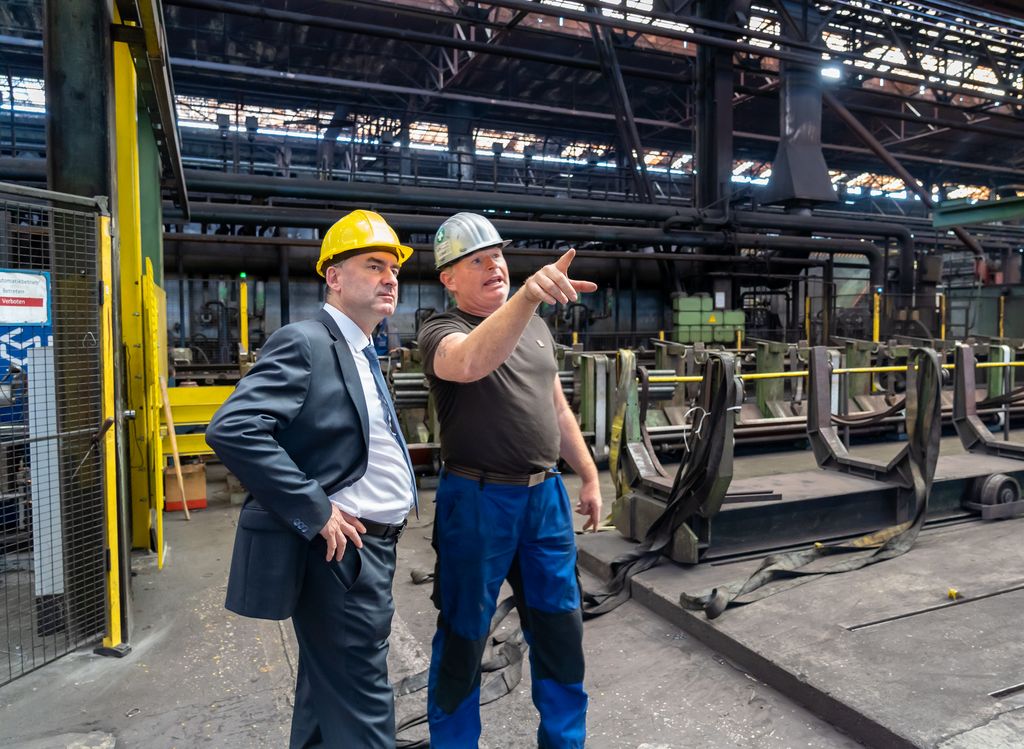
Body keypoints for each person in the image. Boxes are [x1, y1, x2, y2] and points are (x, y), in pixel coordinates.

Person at [206, 209, 418, 749]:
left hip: (370, 549)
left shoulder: (361, 350)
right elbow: (233, 428)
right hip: (344, 555)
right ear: (334, 277)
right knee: (364, 707)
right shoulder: (306, 341)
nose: (390, 278)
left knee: (324, 702)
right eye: (374, 265)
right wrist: (315, 507)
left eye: (394, 269)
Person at [419, 212, 602, 748]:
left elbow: (557, 408)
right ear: (449, 279)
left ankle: (565, 741)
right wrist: (525, 299)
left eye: (497, 256)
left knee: (560, 627)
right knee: (464, 632)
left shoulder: (536, 326)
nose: (493, 266)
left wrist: (589, 475)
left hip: (545, 498)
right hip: (477, 501)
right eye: (476, 260)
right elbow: (469, 363)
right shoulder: (441, 330)